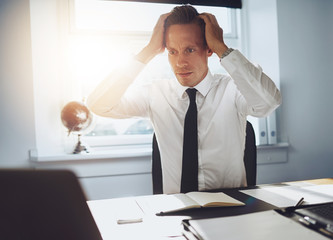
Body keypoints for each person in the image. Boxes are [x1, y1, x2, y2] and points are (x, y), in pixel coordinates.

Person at [87, 5, 281, 194]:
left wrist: (223, 48)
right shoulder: (155, 93)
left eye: (189, 50)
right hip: (176, 214)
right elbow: (99, 105)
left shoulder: (232, 90)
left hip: (231, 211)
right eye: (172, 51)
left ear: (208, 49)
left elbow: (268, 103)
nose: (180, 62)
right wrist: (148, 51)